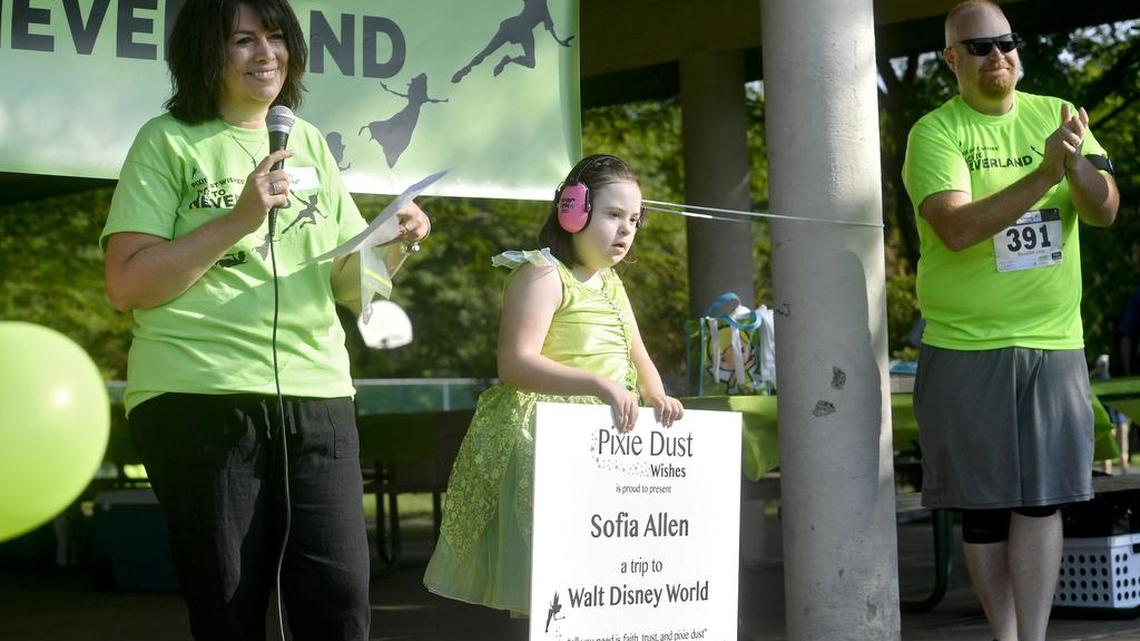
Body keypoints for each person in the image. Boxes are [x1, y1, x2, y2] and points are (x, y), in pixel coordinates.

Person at [99, 1, 430, 639]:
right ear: (205, 53)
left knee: (339, 605)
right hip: (200, 396)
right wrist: (235, 222)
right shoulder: (167, 140)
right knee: (229, 610)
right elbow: (126, 283)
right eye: (244, 40)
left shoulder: (306, 142)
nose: (267, 54)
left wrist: (393, 244)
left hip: (318, 394)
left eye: (276, 38)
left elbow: (346, 283)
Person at [901, 2, 1119, 640]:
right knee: (986, 510)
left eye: (1008, 42)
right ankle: (1005, 636)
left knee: (1043, 501)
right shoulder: (935, 133)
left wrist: (1076, 167)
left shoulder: (1058, 115)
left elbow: (1104, 212)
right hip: (966, 345)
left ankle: (1036, 636)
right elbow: (957, 227)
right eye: (980, 47)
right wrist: (1044, 172)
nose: (998, 55)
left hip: (1054, 342)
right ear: (951, 59)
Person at [422, 154, 683, 615]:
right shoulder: (541, 273)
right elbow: (516, 364)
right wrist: (598, 385)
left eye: (635, 220)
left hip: (605, 439)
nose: (626, 229)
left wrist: (655, 393)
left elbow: (635, 349)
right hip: (546, 438)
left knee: (607, 578)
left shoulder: (610, 283)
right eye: (613, 215)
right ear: (572, 211)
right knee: (562, 582)